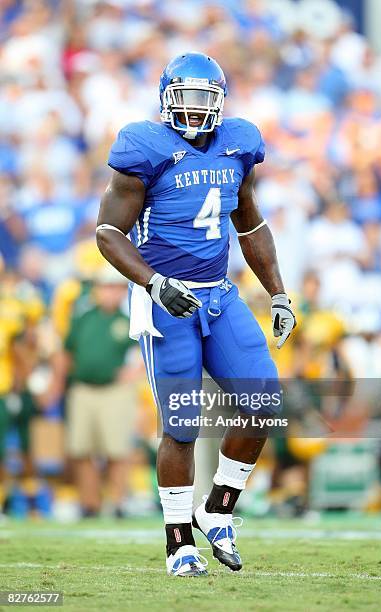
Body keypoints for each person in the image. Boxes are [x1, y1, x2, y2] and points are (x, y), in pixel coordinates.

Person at [96, 52, 296, 577]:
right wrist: (155, 284)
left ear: (221, 103)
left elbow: (250, 225)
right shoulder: (144, 148)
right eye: (183, 98)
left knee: (263, 403)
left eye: (204, 99)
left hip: (219, 295)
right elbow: (108, 232)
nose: (193, 110)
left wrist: (277, 293)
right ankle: (178, 542)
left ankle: (218, 509)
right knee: (182, 425)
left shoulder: (238, 144)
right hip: (165, 299)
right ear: (165, 101)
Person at [49, 265, 136, 517]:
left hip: (115, 390)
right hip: (83, 389)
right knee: (81, 449)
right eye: (105, 287)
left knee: (117, 449)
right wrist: (56, 385)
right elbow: (66, 352)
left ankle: (118, 502)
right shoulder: (82, 318)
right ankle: (90, 503)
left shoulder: (127, 321)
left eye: (114, 288)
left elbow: (145, 351)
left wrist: (133, 373)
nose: (109, 293)